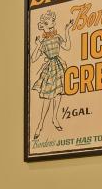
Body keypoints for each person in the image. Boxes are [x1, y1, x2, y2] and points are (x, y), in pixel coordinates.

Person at [31, 8, 76, 143]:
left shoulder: (57, 37)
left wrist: (67, 30)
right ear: (42, 26)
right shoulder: (42, 42)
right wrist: (38, 46)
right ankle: (40, 124)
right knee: (47, 98)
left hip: (59, 67)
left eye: (53, 26)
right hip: (49, 69)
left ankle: (54, 118)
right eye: (49, 26)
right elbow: (33, 59)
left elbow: (67, 47)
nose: (51, 28)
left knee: (57, 95)